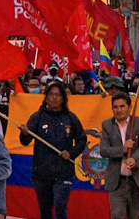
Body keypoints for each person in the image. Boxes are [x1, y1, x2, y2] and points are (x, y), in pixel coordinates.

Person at [18, 83, 87, 219]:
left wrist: (71, 153)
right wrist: (25, 133)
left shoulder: (71, 118)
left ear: (63, 98)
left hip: (63, 172)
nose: (54, 98)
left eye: (58, 95)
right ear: (46, 97)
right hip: (41, 173)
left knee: (60, 207)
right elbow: (25, 141)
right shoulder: (37, 117)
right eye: (51, 94)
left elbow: (82, 140)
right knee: (45, 211)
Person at [100, 92, 139, 219]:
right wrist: (122, 149)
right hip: (117, 181)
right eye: (115, 107)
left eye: (122, 106)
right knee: (117, 215)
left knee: (137, 216)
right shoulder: (107, 125)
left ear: (129, 107)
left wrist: (135, 159)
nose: (119, 110)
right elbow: (104, 150)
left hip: (137, 180)